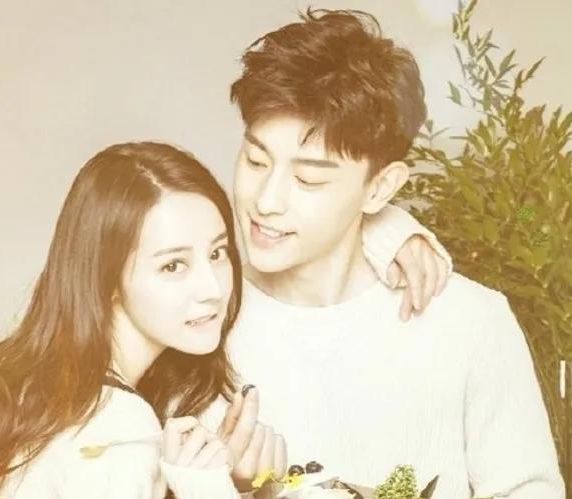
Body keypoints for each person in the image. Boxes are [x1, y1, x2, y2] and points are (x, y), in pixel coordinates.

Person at [201, 9, 565, 499]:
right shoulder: (196, 323)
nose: (266, 201)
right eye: (255, 160)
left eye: (308, 179)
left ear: (381, 188)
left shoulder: (471, 322)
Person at [0, 140, 448, 499]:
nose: (213, 288)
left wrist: (386, 228)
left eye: (217, 253)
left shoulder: (28, 388)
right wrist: (211, 490)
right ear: (107, 278)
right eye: (173, 266)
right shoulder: (119, 432)